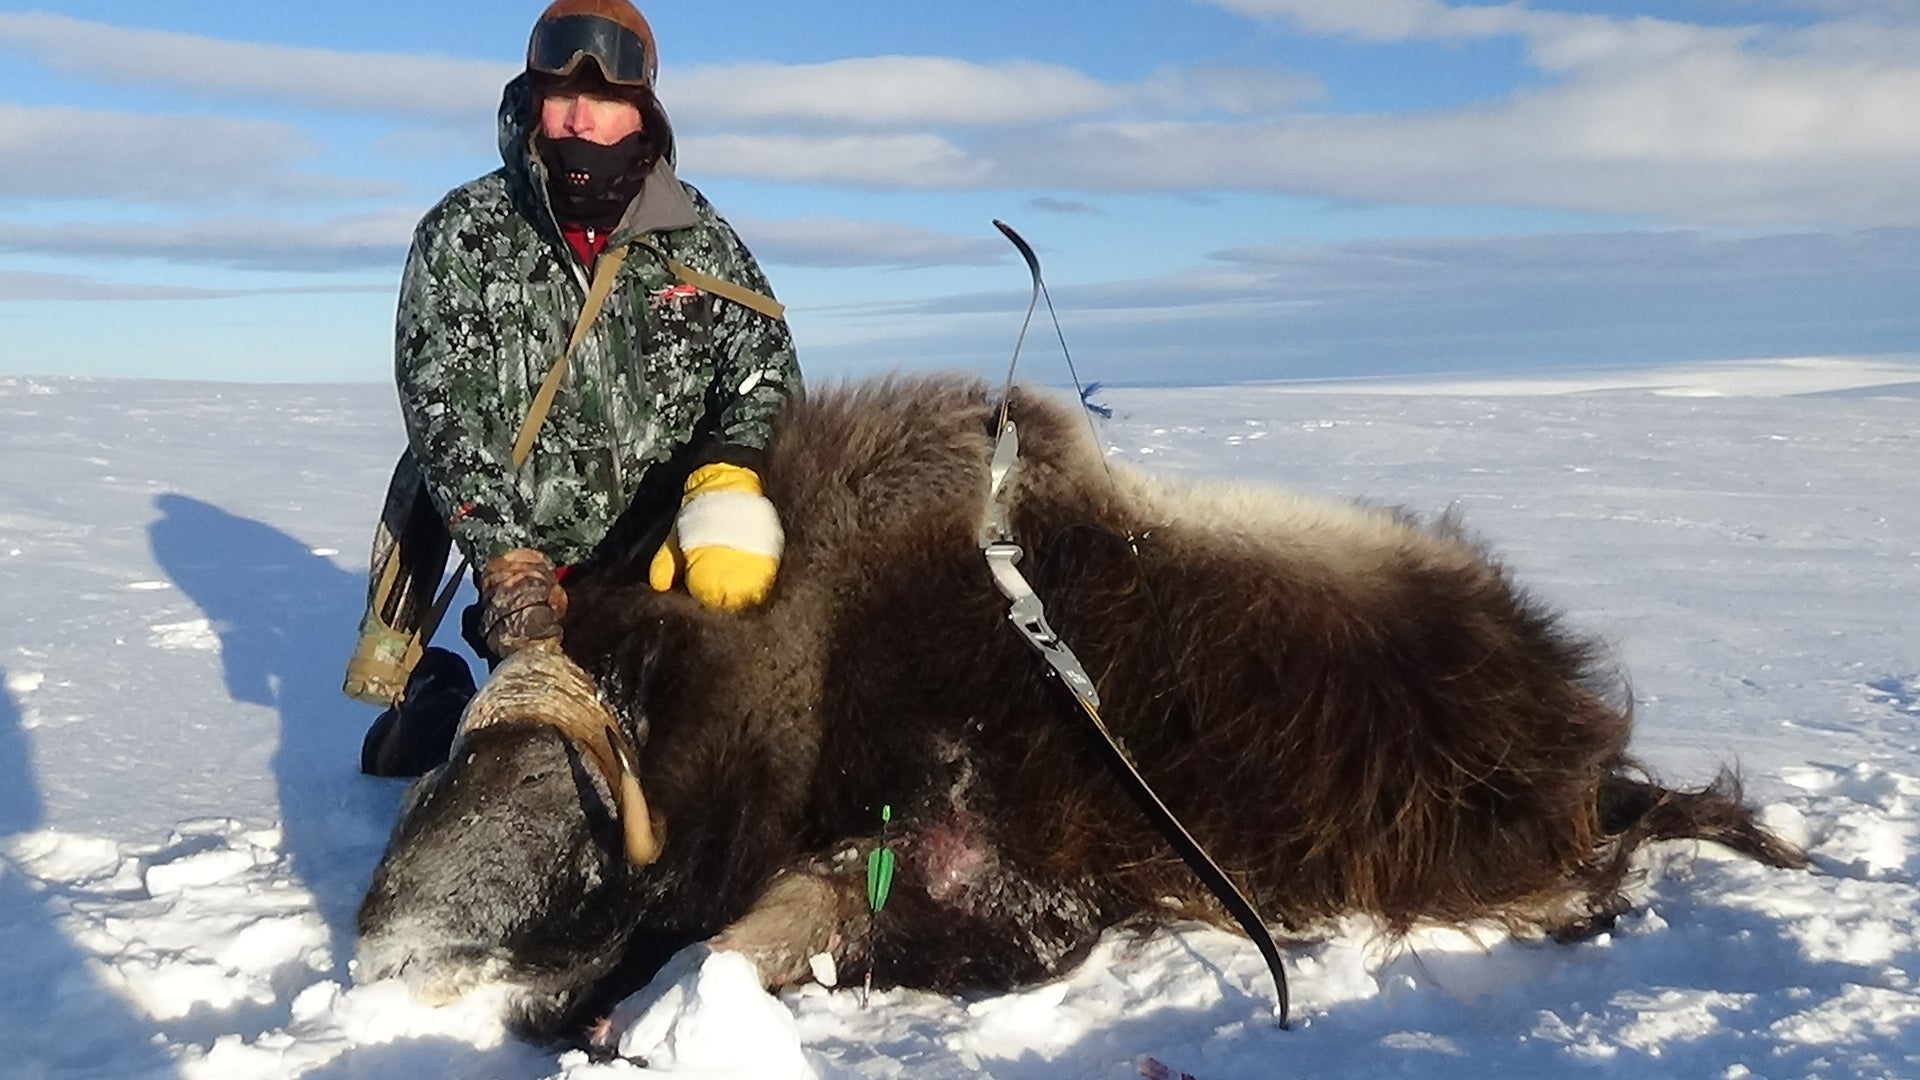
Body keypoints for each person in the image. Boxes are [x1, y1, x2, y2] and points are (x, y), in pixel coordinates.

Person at [349, 0, 800, 775]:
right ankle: (434, 697)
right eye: (561, 96)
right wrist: (509, 566)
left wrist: (729, 480)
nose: (580, 120)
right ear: (532, 102)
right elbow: (444, 410)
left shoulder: (698, 237)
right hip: (535, 585)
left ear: (644, 111)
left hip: (666, 569)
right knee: (523, 762)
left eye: (605, 99)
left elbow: (766, 367)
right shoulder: (463, 234)